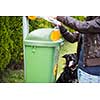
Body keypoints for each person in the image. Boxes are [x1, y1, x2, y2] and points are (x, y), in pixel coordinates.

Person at [55, 16, 100, 83]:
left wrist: (59, 16)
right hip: (82, 69)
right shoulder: (89, 22)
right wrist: (60, 26)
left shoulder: (94, 23)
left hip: (93, 73)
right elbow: (72, 38)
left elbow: (81, 26)